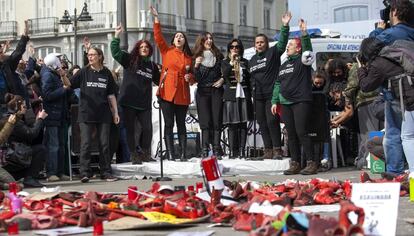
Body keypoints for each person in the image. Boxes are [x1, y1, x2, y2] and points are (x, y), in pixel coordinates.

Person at [357, 37, 413, 176]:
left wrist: (360, 68)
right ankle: (396, 171)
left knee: (407, 137)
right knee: (393, 135)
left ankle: (411, 173)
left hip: (407, 100)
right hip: (399, 99)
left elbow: (366, 86)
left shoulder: (378, 63)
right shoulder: (391, 53)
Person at [271, 19, 316, 175]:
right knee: (290, 134)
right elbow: (277, 83)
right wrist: (274, 101)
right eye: (288, 45)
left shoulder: (303, 60)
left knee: (301, 131)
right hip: (285, 103)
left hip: (300, 101)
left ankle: (311, 163)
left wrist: (304, 34)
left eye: (290, 45)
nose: (287, 47)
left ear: (298, 49)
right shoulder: (283, 65)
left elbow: (308, 50)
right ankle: (295, 163)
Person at [111, 23, 160, 164]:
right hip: (128, 102)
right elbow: (115, 52)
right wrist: (116, 36)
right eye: (141, 47)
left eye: (146, 47)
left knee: (147, 129)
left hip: (144, 103)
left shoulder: (152, 66)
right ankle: (134, 155)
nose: (144, 49)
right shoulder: (130, 60)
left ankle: (145, 154)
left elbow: (159, 81)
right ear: (137, 49)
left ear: (150, 50)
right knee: (131, 130)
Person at [150, 6, 194, 161]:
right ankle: (170, 153)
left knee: (181, 124)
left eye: (181, 36)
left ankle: (183, 154)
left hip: (182, 93)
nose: (179, 37)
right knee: (169, 124)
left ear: (184, 40)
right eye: (176, 36)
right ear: (174, 40)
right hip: (167, 92)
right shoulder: (167, 51)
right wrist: (156, 19)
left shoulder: (189, 57)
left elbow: (193, 77)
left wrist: (191, 78)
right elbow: (158, 37)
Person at [69, 47, 120, 183]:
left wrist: (115, 112)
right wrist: (63, 75)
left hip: (103, 113)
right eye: (88, 55)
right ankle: (85, 172)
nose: (90, 57)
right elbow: (70, 84)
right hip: (86, 113)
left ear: (100, 56)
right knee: (85, 143)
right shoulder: (83, 72)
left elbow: (111, 95)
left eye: (93, 55)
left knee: (104, 144)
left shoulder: (106, 73)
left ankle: (105, 172)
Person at [248, 12, 291, 159]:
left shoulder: (273, 53)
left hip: (271, 95)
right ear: (255, 45)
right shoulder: (252, 60)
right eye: (257, 42)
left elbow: (282, 43)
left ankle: (277, 149)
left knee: (272, 121)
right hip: (257, 96)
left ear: (266, 44)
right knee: (262, 122)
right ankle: (267, 150)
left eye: (262, 42)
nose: (259, 44)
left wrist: (284, 26)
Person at [1, 94, 48, 187]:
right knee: (39, 149)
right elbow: (31, 134)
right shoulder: (13, 120)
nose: (26, 109)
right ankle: (30, 178)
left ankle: (22, 178)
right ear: (17, 107)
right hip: (11, 158)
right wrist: (40, 119)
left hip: (12, 155)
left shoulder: (14, 118)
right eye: (24, 106)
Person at [193, 32, 224, 158]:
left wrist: (222, 79)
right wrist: (196, 65)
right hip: (203, 91)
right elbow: (197, 78)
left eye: (211, 38)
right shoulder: (196, 56)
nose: (209, 40)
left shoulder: (218, 55)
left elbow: (226, 70)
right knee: (205, 122)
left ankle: (217, 148)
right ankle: (205, 148)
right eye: (206, 39)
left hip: (216, 90)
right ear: (201, 41)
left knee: (217, 120)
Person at [40, 53, 71, 182]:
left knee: (61, 145)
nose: (60, 61)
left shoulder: (55, 74)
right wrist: (62, 90)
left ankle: (60, 171)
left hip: (60, 114)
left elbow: (69, 87)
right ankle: (52, 172)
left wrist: (63, 75)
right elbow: (46, 95)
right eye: (58, 59)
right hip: (52, 115)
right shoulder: (47, 74)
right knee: (54, 145)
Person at [222, 39, 253, 159]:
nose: (235, 49)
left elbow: (250, 78)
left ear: (241, 49)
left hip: (243, 94)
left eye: (237, 47)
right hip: (231, 95)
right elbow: (224, 75)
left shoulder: (246, 62)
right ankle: (232, 151)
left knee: (243, 124)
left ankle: (242, 151)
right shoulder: (225, 62)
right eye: (232, 47)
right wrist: (231, 62)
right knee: (232, 125)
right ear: (229, 49)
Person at [0, 20, 30, 106]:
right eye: (1, 53)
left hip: (10, 106)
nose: (3, 54)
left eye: (2, 52)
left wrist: (24, 36)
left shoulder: (7, 65)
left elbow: (17, 53)